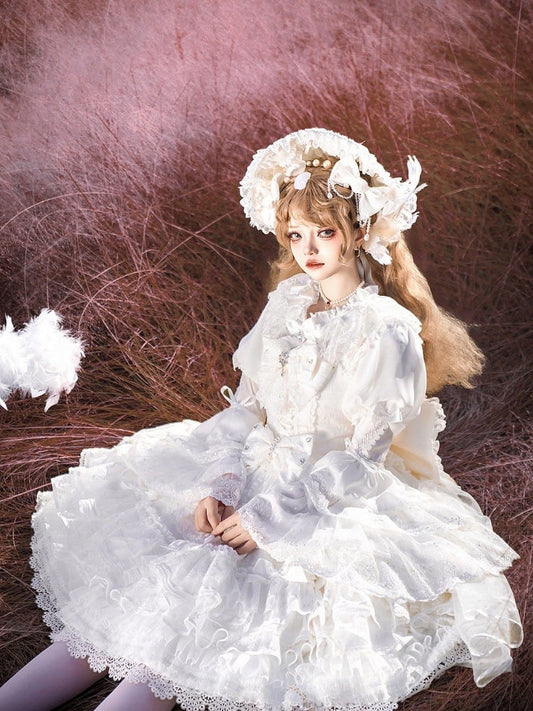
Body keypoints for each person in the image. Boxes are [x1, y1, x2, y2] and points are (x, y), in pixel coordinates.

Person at [0, 128, 523, 711]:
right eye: (297, 234)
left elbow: (362, 456)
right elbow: (247, 406)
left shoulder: (386, 329)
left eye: (325, 232)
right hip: (252, 468)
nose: (309, 249)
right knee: (122, 612)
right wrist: (222, 478)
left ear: (359, 231)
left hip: (320, 496)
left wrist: (273, 517)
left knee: (188, 631)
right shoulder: (289, 301)